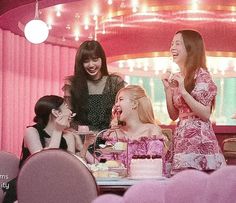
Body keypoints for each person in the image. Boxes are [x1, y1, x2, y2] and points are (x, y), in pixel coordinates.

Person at [2, 95, 91, 202]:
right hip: (29, 186)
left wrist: (84, 145)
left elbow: (70, 169)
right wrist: (58, 131)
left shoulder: (68, 136)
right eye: (67, 108)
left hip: (57, 187)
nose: (70, 113)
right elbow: (43, 165)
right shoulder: (31, 132)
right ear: (56, 113)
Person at [161, 29, 226, 175]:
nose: (172, 48)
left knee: (199, 186)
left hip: (199, 138)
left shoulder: (201, 74)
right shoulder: (177, 76)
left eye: (177, 44)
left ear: (191, 48)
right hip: (181, 135)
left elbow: (205, 114)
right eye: (172, 44)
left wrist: (183, 91)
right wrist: (167, 90)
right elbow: (173, 116)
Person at [62, 40, 126, 152]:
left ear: (102, 59)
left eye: (95, 60)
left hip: (109, 140)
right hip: (80, 141)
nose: (91, 65)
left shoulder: (115, 82)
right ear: (80, 63)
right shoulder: (72, 83)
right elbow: (68, 114)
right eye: (86, 61)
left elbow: (123, 112)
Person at [100, 85, 167, 170]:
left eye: (121, 99)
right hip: (119, 183)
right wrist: (83, 148)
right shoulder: (114, 134)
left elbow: (153, 166)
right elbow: (104, 166)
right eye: (116, 101)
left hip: (147, 182)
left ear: (134, 104)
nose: (116, 104)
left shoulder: (152, 131)